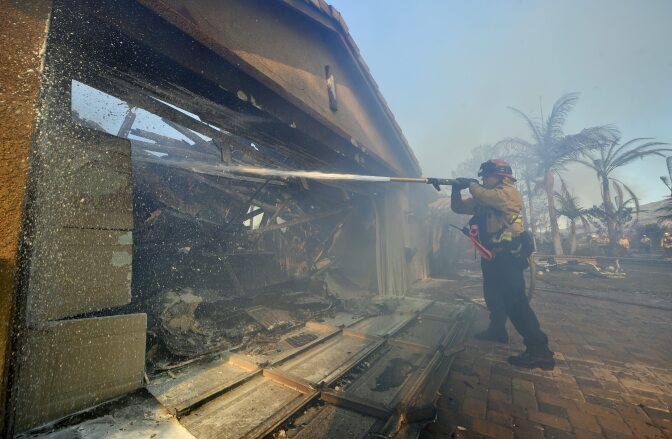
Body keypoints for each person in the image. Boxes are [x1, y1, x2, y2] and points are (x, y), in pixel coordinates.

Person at [439, 159, 554, 370]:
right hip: (492, 257)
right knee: (492, 296)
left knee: (515, 303)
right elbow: (458, 207)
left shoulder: (507, 193)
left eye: (486, 176)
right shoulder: (486, 197)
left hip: (509, 258)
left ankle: (540, 351)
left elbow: (484, 194)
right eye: (482, 177)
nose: (484, 180)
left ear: (502, 176)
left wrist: (472, 183)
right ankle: (497, 330)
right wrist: (456, 189)